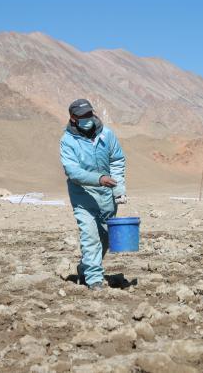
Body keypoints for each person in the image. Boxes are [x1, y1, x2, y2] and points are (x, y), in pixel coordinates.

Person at [60, 99, 126, 291]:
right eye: (82, 116)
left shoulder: (106, 134)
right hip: (83, 195)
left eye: (89, 114)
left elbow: (117, 160)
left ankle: (85, 267)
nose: (87, 118)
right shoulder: (67, 141)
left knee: (105, 237)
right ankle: (94, 280)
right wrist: (99, 179)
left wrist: (118, 188)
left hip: (106, 194)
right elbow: (72, 172)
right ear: (73, 118)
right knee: (90, 236)